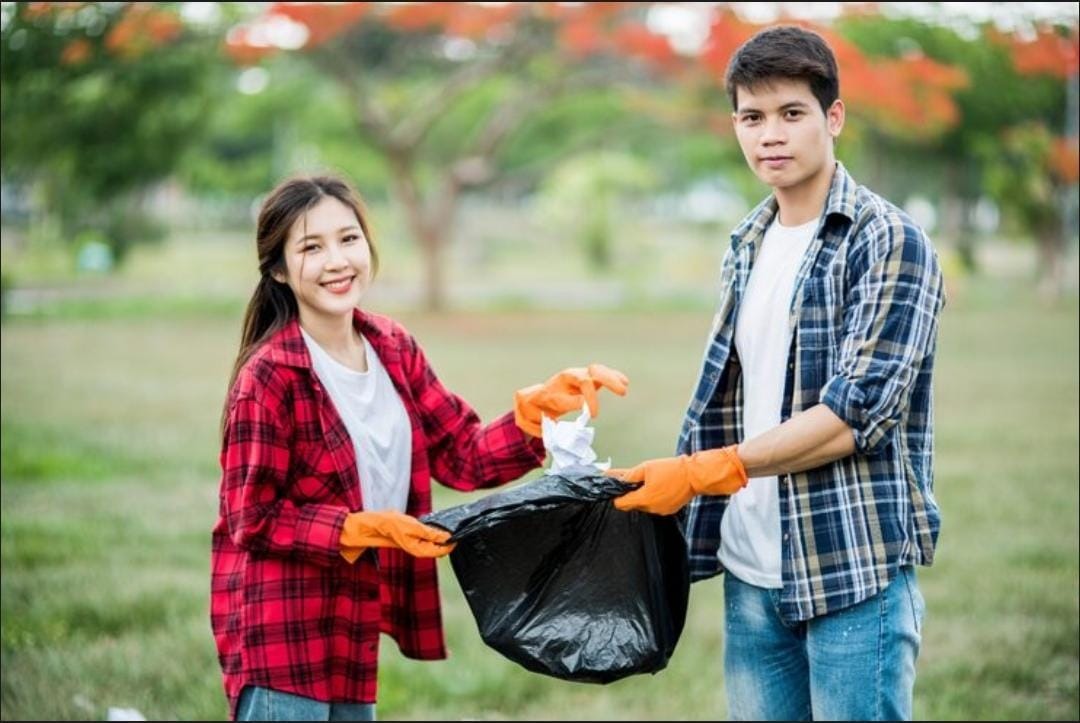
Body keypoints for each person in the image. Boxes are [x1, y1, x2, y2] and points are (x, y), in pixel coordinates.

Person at [611, 25, 944, 721]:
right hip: (752, 571)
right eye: (751, 117)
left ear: (834, 117)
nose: (771, 135)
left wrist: (708, 469)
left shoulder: (889, 241)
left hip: (850, 567)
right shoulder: (748, 240)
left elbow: (857, 416)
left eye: (792, 113)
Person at [211, 174, 628, 721]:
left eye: (348, 238)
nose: (337, 260)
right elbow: (252, 517)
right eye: (312, 247)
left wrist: (539, 413)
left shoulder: (391, 346)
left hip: (353, 621)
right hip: (281, 628)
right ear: (279, 270)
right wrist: (361, 528)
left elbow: (463, 453)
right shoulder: (271, 376)